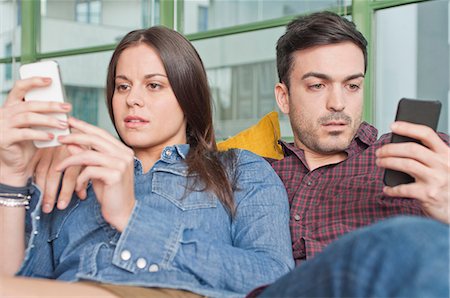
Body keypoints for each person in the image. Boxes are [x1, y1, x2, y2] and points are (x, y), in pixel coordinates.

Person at [0, 26, 294, 297]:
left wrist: (131, 219)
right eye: (123, 86)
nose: (132, 100)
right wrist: (11, 175)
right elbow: (20, 279)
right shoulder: (75, 173)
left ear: (187, 94)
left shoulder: (239, 168)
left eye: (153, 85)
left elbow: (274, 278)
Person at [255, 11, 449, 297]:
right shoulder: (256, 174)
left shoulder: (419, 153)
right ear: (284, 97)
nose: (338, 103)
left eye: (352, 85)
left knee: (411, 239)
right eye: (317, 85)